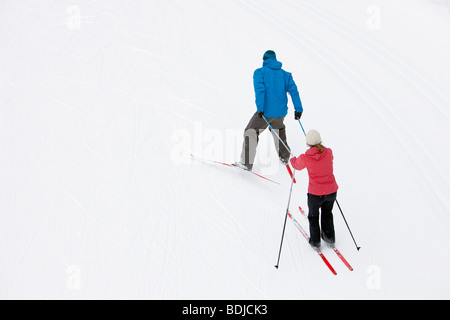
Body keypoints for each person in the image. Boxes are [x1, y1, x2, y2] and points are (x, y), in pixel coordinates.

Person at [235, 50, 303, 171]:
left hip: (265, 112)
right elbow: (294, 92)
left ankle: (246, 163)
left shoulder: (260, 72)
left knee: (251, 131)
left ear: (264, 60)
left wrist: (260, 108)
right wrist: (298, 109)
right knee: (278, 129)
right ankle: (285, 157)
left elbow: (260, 90)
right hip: (280, 112)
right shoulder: (286, 75)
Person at [290, 130, 339, 250]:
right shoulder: (328, 152)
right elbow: (330, 159)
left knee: (313, 217)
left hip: (315, 194)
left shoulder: (306, 158)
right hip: (331, 191)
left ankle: (315, 242)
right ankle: (329, 239)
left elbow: (296, 165)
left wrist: (293, 160)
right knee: (327, 214)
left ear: (308, 143)